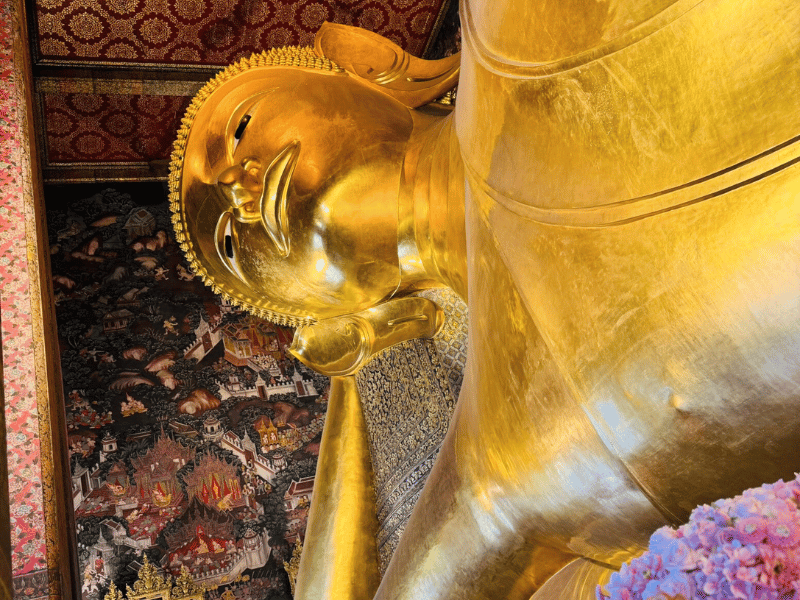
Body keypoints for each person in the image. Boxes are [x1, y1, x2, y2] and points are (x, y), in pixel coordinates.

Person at [172, 0, 800, 597]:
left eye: (242, 127)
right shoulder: (506, 458)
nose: (234, 185)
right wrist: (355, 366)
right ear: (328, 315)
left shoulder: (514, 22)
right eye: (232, 244)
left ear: (365, 67)